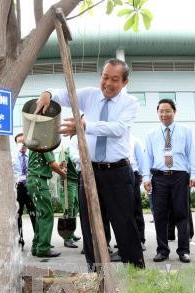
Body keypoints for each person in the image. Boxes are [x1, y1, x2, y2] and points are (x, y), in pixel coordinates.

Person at [36, 58, 145, 269]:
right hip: (89, 172)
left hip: (118, 172)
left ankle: (135, 270)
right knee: (90, 225)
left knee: (124, 223)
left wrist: (84, 125)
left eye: (114, 79)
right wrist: (47, 94)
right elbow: (62, 95)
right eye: (105, 77)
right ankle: (95, 271)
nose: (108, 83)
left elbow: (118, 129)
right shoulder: (89, 96)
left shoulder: (130, 103)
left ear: (125, 82)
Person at [143, 99, 195, 263]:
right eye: (161, 111)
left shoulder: (185, 131)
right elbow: (148, 158)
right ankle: (162, 250)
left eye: (168, 111)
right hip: (159, 177)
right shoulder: (151, 134)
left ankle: (184, 250)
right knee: (159, 215)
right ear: (158, 113)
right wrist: (146, 178)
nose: (164, 114)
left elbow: (191, 153)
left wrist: (194, 174)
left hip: (180, 177)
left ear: (174, 112)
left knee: (182, 214)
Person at [26, 149, 66, 257]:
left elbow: (45, 165)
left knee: (41, 214)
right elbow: (52, 164)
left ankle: (36, 246)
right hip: (39, 181)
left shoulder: (35, 144)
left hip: (33, 180)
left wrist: (58, 166)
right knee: (47, 214)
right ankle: (43, 248)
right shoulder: (45, 143)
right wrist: (63, 174)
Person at [12, 133, 36, 249]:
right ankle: (19, 240)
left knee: (34, 213)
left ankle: (38, 240)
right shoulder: (13, 157)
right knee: (18, 214)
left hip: (30, 186)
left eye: (24, 142)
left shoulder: (31, 157)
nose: (23, 145)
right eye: (20, 142)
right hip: (18, 187)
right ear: (16, 144)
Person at [58, 145, 81, 248]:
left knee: (75, 208)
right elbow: (61, 168)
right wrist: (63, 183)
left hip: (76, 182)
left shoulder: (79, 149)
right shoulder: (65, 152)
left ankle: (71, 232)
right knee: (68, 208)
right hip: (68, 182)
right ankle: (67, 238)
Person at [130, 135, 147, 251]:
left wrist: (141, 175)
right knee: (121, 212)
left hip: (133, 175)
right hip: (118, 176)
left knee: (136, 210)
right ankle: (126, 240)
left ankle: (140, 240)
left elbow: (141, 160)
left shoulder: (135, 140)